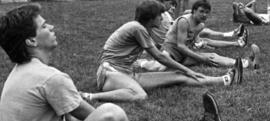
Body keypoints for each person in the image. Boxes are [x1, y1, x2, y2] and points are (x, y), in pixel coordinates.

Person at [0, 3, 229, 121]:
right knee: (113, 115)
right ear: (31, 40)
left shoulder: (24, 73)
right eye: (44, 26)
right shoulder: (48, 78)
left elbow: (70, 119)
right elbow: (98, 119)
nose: (51, 27)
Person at [81, 0, 242, 103]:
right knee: (140, 95)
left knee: (177, 76)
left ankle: (223, 80)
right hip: (109, 74)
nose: (163, 18)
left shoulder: (143, 28)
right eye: (160, 15)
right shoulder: (136, 28)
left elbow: (156, 51)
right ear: (151, 18)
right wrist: (187, 68)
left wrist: (184, 70)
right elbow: (159, 57)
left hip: (126, 74)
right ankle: (91, 96)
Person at [162, 0, 259, 69]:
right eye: (201, 11)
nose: (204, 15)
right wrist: (201, 58)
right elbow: (181, 46)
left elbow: (193, 42)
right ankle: (244, 62)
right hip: (170, 57)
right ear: (194, 11)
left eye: (207, 12)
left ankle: (245, 63)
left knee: (211, 55)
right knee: (209, 57)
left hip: (181, 56)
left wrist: (200, 45)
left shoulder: (200, 25)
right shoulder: (184, 21)